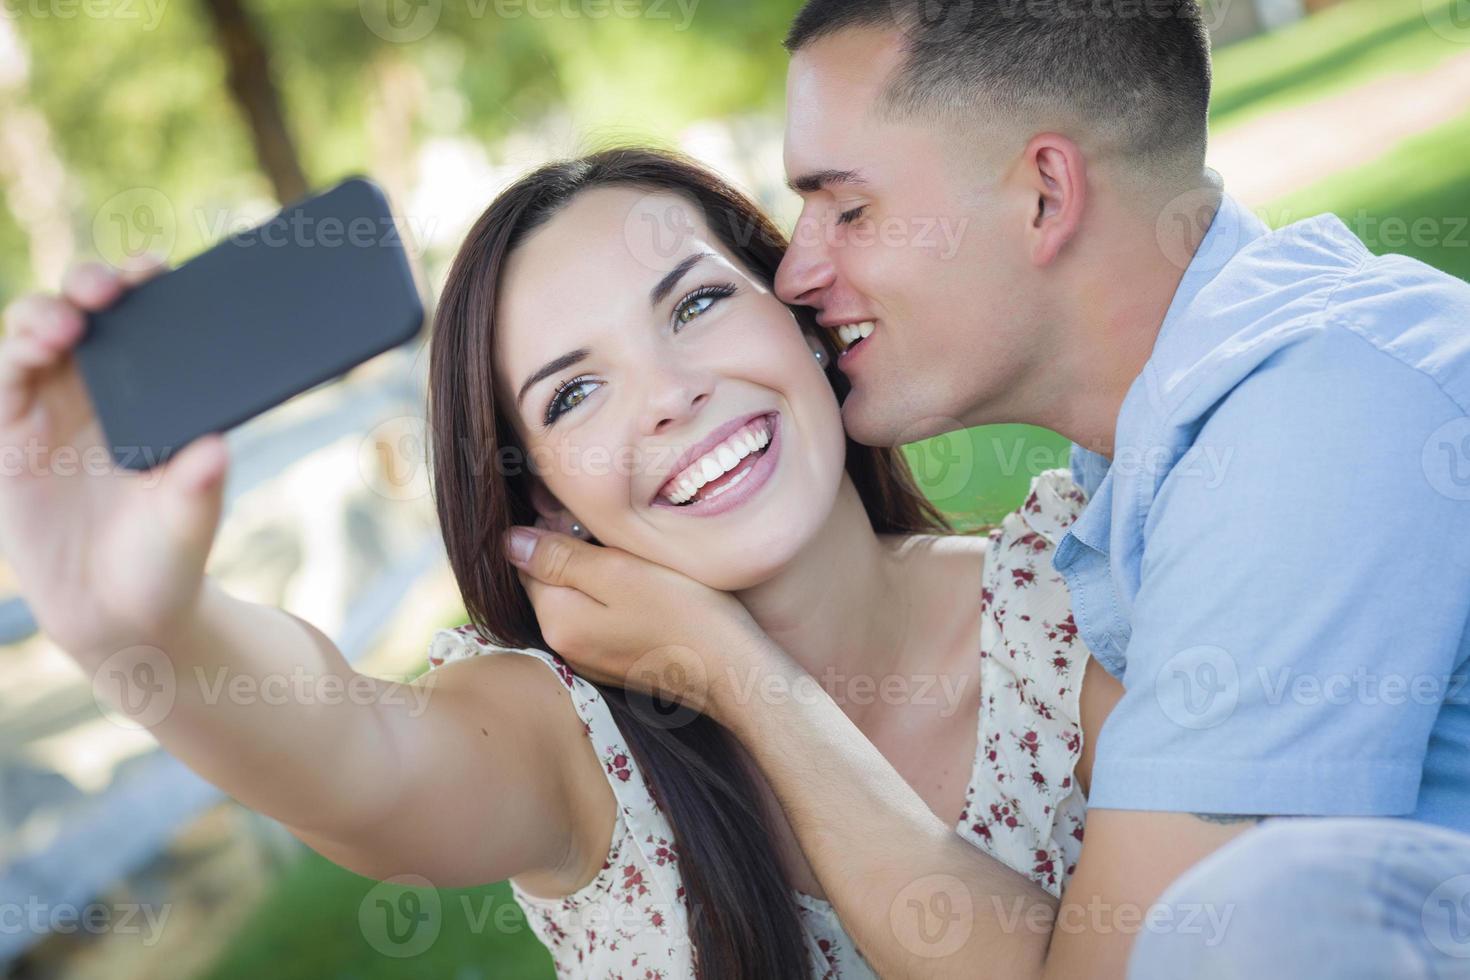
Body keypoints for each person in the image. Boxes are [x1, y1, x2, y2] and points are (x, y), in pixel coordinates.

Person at [506, 3, 1470, 978]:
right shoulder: (1189, 438)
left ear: (1045, 193)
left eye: (849, 209)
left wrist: (741, 677)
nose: (794, 272)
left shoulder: (1302, 442)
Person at [0, 148, 1124, 978]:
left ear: (801, 319)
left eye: (695, 303)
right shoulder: (573, 738)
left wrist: (742, 672)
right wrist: (143, 629)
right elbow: (354, 750)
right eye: (575, 392)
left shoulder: (1067, 596)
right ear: (543, 493)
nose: (671, 395)